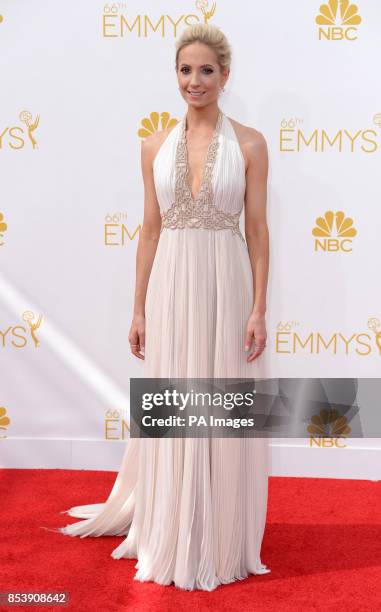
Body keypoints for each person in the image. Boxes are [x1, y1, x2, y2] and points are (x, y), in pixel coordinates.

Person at [56, 23, 271, 592]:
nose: (193, 81)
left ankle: (219, 536)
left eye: (205, 70)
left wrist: (258, 309)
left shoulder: (250, 143)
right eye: (184, 70)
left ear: (225, 76)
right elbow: (149, 231)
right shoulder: (153, 145)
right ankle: (170, 527)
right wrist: (138, 308)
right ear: (174, 75)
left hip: (226, 282)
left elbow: (257, 231)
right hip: (172, 284)